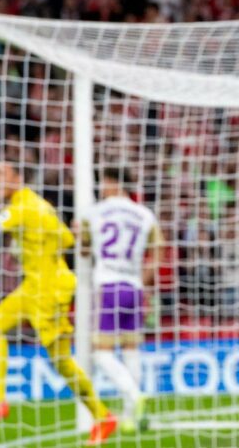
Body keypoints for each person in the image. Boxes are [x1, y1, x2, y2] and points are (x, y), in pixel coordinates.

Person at [0, 161, 117, 445]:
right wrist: (38, 246)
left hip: (48, 291)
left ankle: (103, 416)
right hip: (33, 286)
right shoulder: (35, 204)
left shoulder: (21, 208)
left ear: (17, 177)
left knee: (62, 363)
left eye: (0, 174)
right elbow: (65, 238)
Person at [78, 168, 162, 434]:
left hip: (108, 286)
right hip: (134, 288)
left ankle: (135, 396)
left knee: (101, 353)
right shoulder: (144, 214)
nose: (101, 187)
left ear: (115, 184)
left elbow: (83, 247)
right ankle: (129, 418)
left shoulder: (95, 211)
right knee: (131, 350)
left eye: (104, 182)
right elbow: (160, 246)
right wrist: (146, 280)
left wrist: (81, 235)